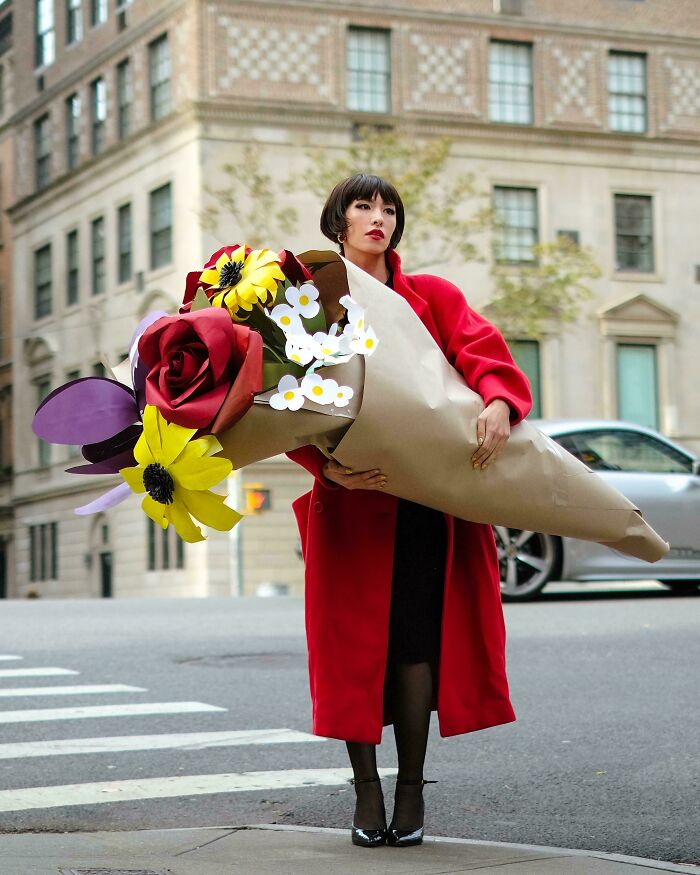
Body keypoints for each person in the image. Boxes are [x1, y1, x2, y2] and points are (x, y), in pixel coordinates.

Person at [287, 174, 532, 848]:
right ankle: (365, 788)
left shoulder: (432, 296)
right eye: (363, 206)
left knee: (416, 642)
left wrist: (497, 403)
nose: (378, 217)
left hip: (426, 498)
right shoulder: (309, 301)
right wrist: (327, 468)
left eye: (388, 208)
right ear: (336, 221)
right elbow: (285, 404)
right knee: (353, 649)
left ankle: (410, 786)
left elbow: (485, 353)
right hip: (350, 499)